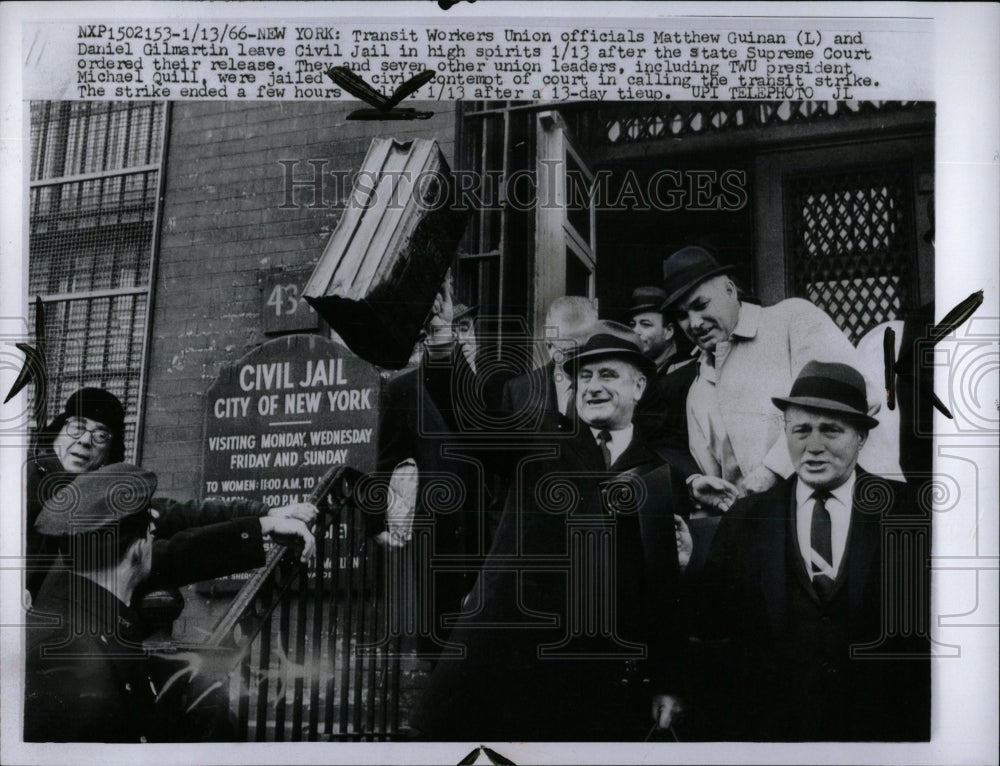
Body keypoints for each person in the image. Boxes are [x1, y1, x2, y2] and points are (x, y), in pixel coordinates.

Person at [413, 321, 689, 741]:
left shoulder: (659, 474)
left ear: (639, 386)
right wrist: (440, 346)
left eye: (608, 375)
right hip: (518, 669)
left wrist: (668, 680)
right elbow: (470, 423)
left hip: (600, 683)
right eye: (585, 376)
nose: (593, 386)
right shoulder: (540, 440)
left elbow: (662, 593)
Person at [694, 361, 930, 741]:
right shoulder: (747, 519)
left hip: (882, 731)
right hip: (777, 734)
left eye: (831, 430)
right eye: (801, 430)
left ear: (861, 437)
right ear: (785, 433)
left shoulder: (910, 513)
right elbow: (711, 623)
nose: (814, 446)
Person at [24, 463, 317, 743]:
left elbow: (182, 527)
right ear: (141, 545)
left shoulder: (83, 595)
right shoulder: (66, 660)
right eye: (151, 531)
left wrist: (261, 521)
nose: (155, 532)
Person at [25, 388, 317, 600]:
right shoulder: (23, 480)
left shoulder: (100, 498)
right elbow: (161, 555)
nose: (85, 441)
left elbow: (178, 513)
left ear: (107, 456)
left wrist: (264, 513)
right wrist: (260, 525)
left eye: (100, 435)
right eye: (77, 427)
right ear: (57, 433)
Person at [661, 246, 882, 508]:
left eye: (701, 305)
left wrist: (773, 470)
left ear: (730, 290)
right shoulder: (698, 389)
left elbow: (857, 397)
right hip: (768, 531)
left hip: (852, 505)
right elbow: (720, 483)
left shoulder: (791, 319)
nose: (695, 323)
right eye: (683, 316)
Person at [626, 285, 699, 476]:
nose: (636, 332)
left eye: (646, 324)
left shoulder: (689, 374)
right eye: (632, 325)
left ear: (668, 331)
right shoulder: (643, 374)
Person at [499, 295, 598, 430]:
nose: (580, 360)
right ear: (549, 346)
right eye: (571, 353)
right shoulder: (519, 391)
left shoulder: (612, 390)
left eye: (586, 350)